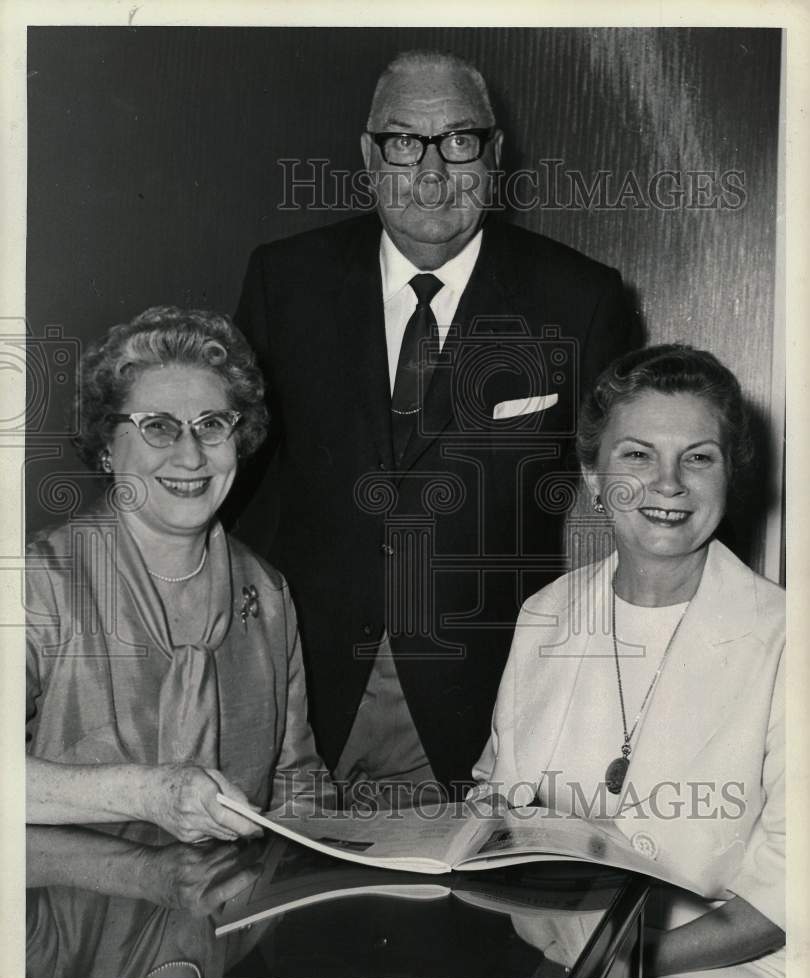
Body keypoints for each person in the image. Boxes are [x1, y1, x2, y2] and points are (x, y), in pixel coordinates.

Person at [233, 50, 639, 800]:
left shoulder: (578, 300)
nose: (430, 173)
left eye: (458, 141)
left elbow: (620, 507)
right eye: (402, 142)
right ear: (367, 155)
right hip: (294, 694)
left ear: (494, 154)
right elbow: (227, 480)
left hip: (483, 703)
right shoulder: (285, 281)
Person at [471, 344, 785, 978]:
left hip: (721, 973)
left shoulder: (787, 639)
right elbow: (495, 799)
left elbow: (791, 893)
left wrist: (627, 964)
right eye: (637, 454)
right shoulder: (545, 614)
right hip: (549, 958)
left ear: (729, 478)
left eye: (698, 458)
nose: (668, 484)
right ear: (593, 478)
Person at [26, 306, 332, 843]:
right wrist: (149, 794)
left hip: (226, 914)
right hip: (69, 914)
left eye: (212, 425)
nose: (190, 456)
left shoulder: (266, 591)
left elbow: (297, 789)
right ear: (105, 445)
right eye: (158, 428)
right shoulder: (40, 581)